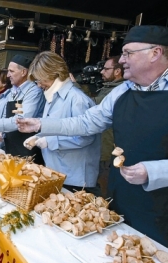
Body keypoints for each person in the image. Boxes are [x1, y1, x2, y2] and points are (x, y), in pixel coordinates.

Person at [17, 25, 168, 259]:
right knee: (117, 252)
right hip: (121, 193)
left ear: (155, 53)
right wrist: (42, 125)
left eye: (128, 53)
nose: (122, 60)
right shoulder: (123, 91)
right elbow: (87, 122)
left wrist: (153, 171)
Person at [23, 51, 101, 195]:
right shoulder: (52, 96)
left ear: (54, 74)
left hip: (76, 178)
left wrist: (49, 141)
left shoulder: (78, 99)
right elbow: (54, 127)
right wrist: (38, 137)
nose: (39, 85)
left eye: (41, 80)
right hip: (58, 170)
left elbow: (86, 137)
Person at [0, 55, 45, 164]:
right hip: (10, 146)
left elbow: (21, 119)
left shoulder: (34, 92)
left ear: (23, 72)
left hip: (26, 148)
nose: (8, 75)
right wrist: (1, 132)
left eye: (11, 71)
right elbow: (8, 115)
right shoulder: (12, 91)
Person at [95, 55, 124, 197]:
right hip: (102, 143)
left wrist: (75, 86)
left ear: (117, 71)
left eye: (106, 69)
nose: (102, 72)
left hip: (106, 146)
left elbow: (93, 104)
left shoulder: (118, 90)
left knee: (103, 181)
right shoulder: (110, 88)